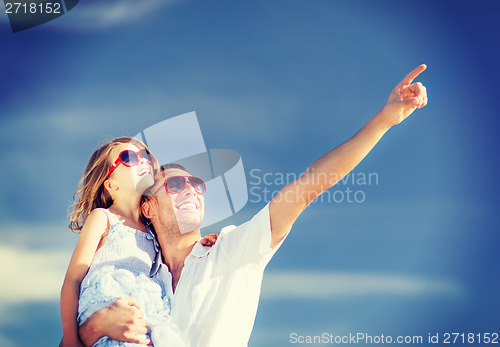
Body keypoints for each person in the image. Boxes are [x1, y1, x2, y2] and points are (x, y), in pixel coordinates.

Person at [78, 65, 428, 347]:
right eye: (175, 183)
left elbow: (306, 188)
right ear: (149, 208)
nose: (192, 189)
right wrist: (95, 327)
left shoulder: (232, 250)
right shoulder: (139, 275)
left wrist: (384, 120)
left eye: (197, 183)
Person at [60, 137, 189, 346]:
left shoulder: (154, 231)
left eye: (146, 156)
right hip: (106, 314)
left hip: (145, 323)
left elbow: (179, 252)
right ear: (110, 184)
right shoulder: (103, 218)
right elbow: (72, 280)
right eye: (129, 157)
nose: (143, 161)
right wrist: (71, 338)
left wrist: (205, 242)